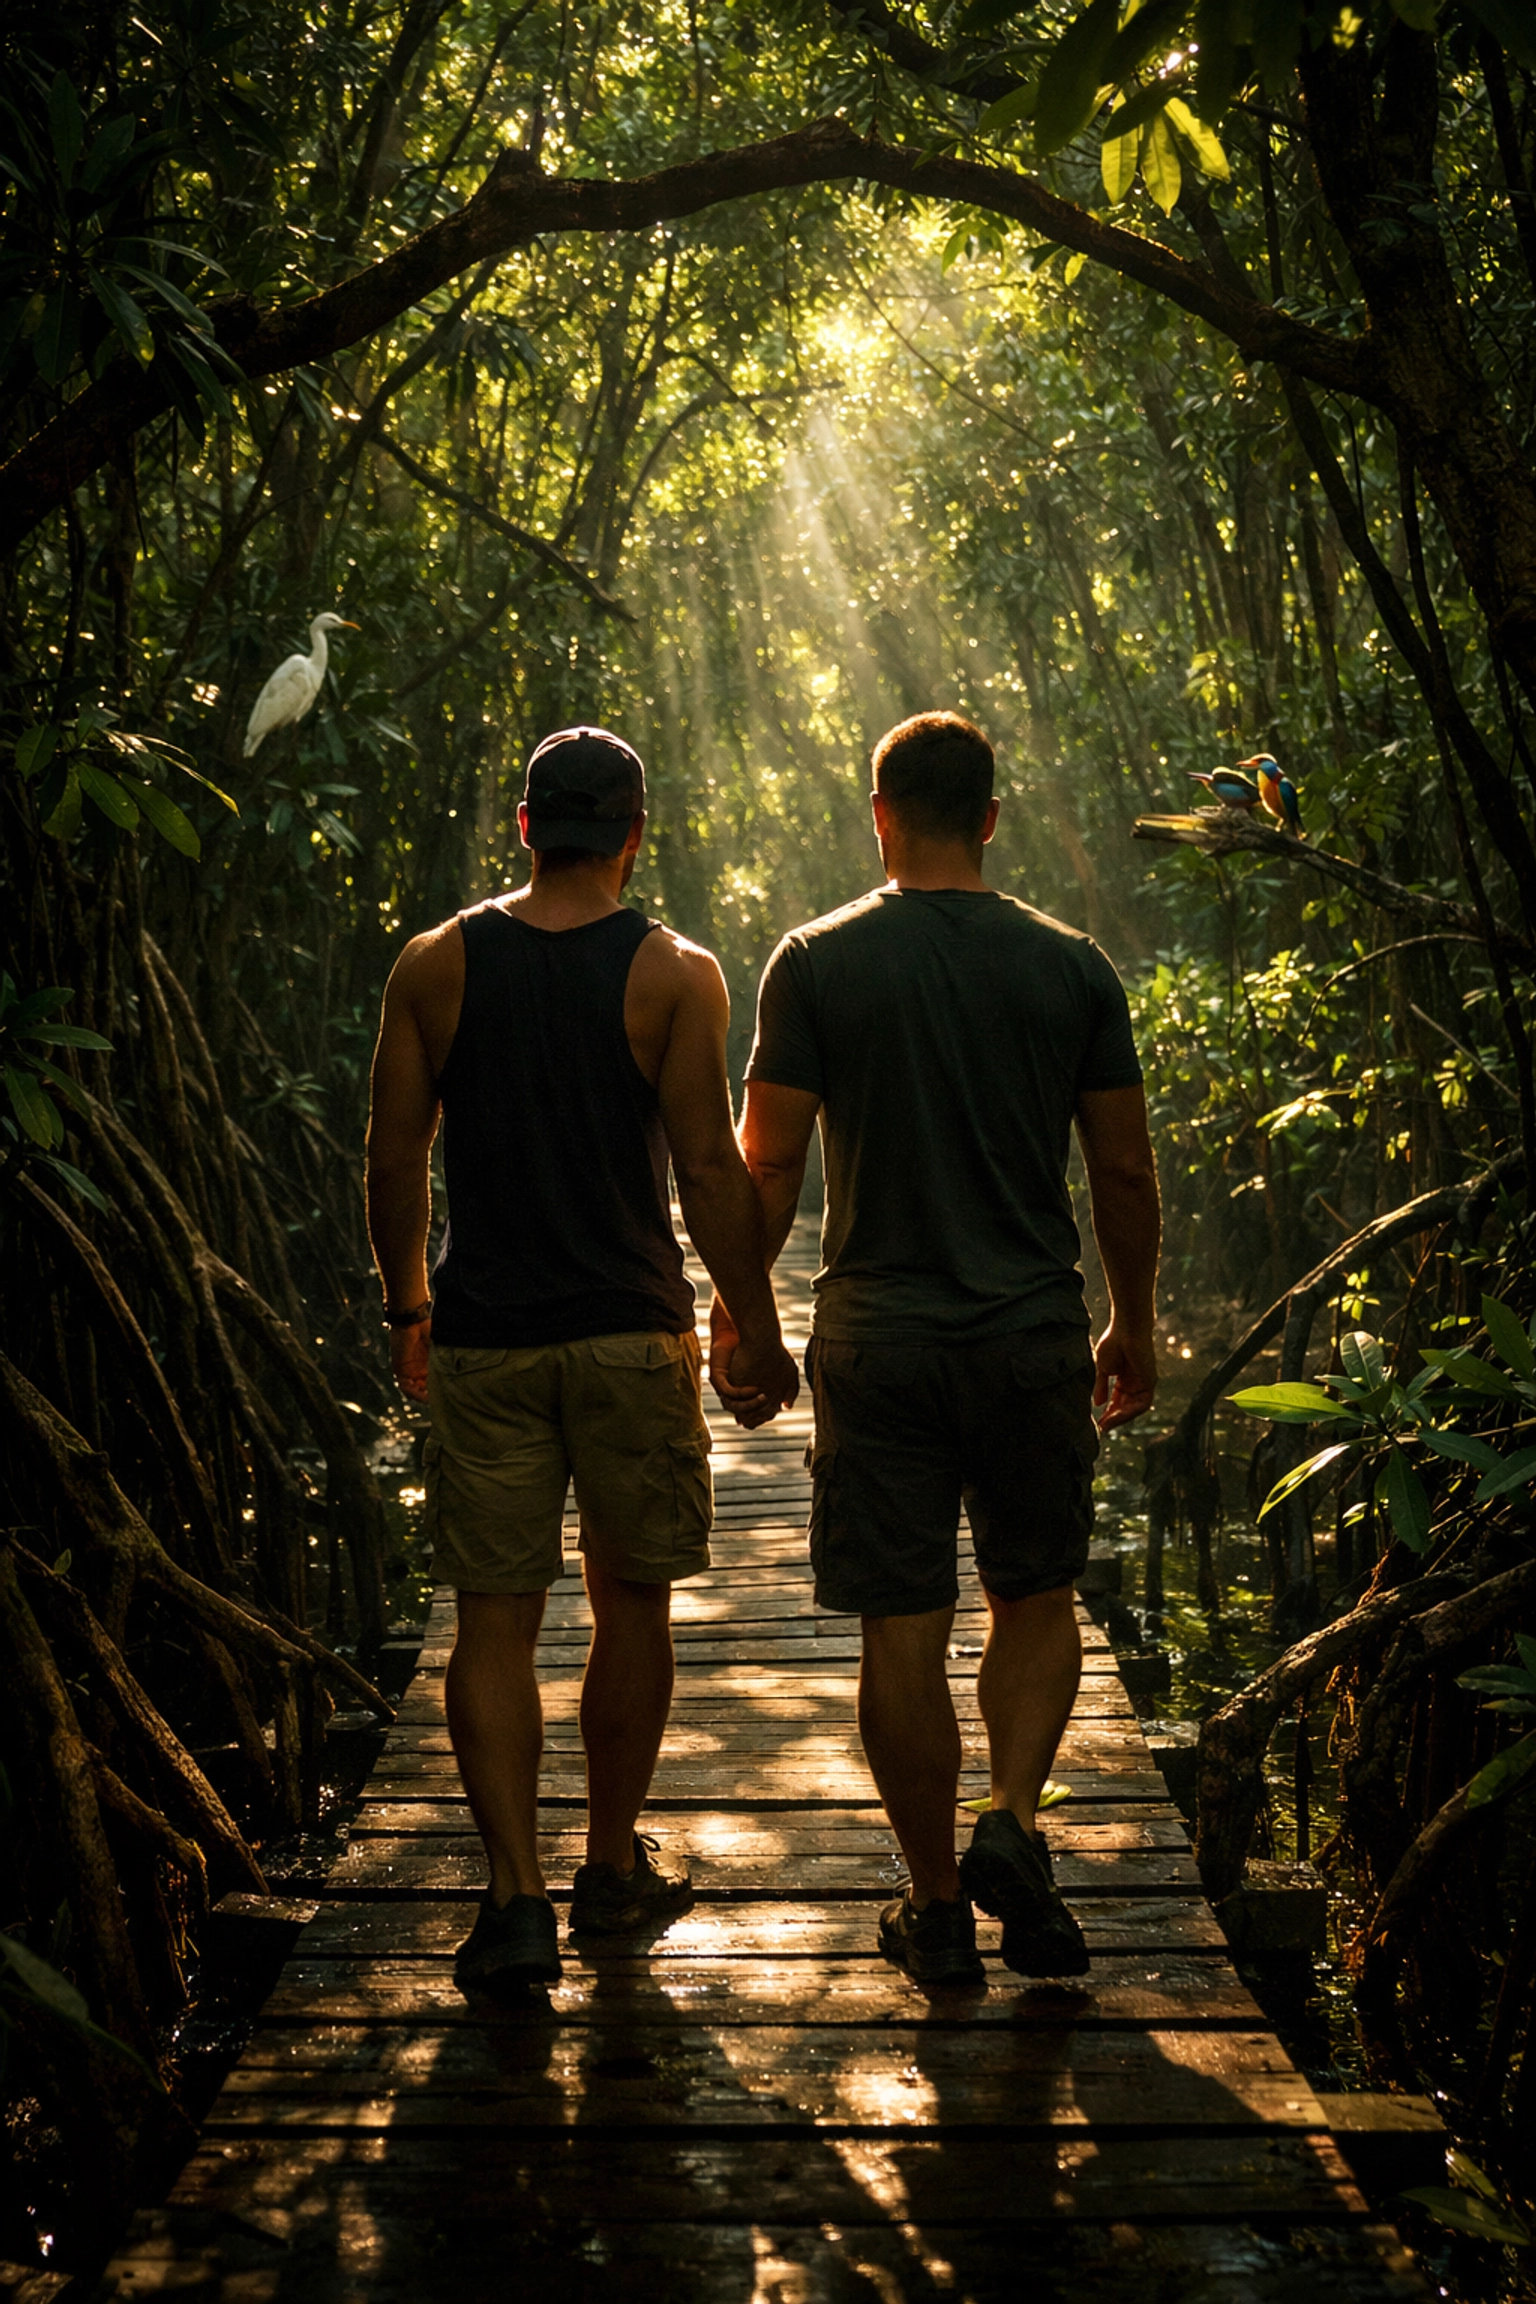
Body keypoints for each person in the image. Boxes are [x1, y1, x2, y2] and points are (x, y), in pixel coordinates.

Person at [712, 711, 1160, 1987]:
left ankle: (936, 1905)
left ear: (879, 814)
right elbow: (1121, 1169)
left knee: (900, 1629)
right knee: (1037, 1594)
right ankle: (1013, 1819)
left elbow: (770, 1161)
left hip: (881, 1346)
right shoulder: (1072, 967)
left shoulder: (814, 961)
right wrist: (1132, 1317)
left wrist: (746, 1315)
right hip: (1031, 1337)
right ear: (993, 820)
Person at [366, 725, 798, 1991]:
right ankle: (609, 1867)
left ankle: (512, 1899)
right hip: (628, 1336)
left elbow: (396, 1161)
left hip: (487, 1340)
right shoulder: (675, 974)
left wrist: (407, 1312)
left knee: (490, 1626)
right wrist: (754, 1324)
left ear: (522, 828)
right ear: (632, 837)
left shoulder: (435, 965)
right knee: (631, 1605)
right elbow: (710, 1168)